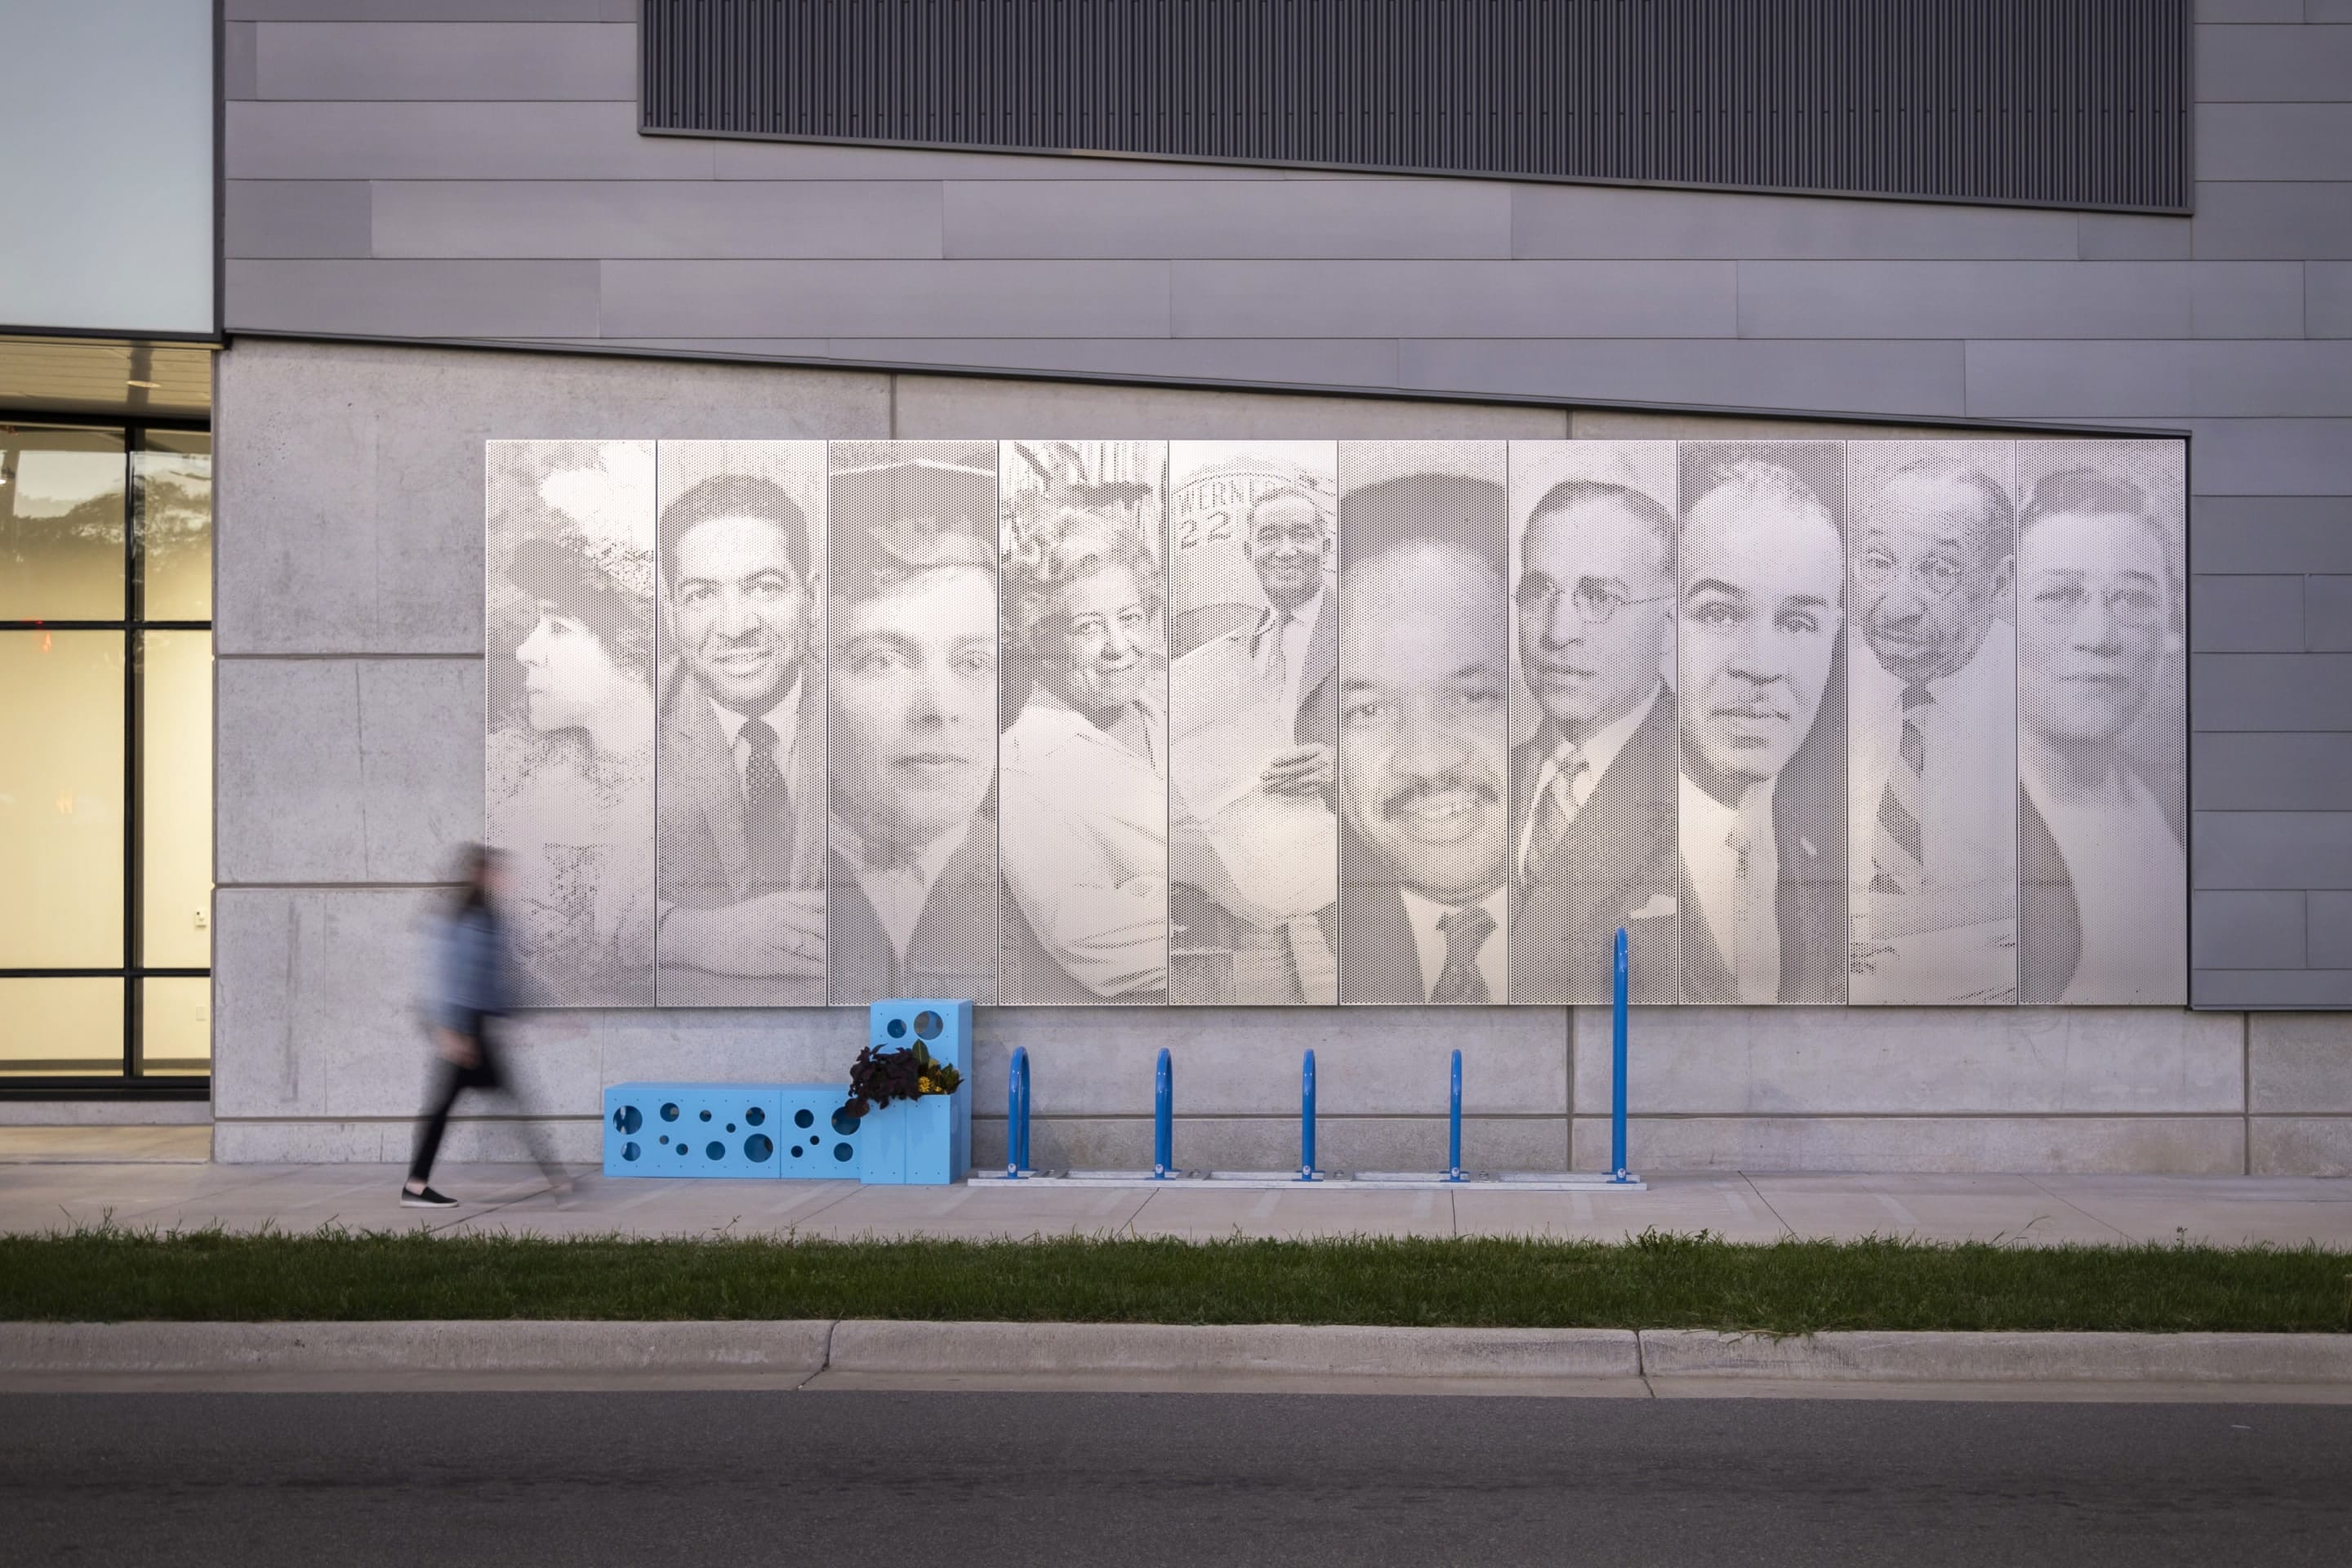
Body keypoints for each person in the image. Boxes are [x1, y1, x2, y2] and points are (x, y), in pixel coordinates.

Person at [826, 454, 1001, 1004]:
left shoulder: (1051, 884)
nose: (938, 709)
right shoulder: (755, 878)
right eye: (881, 661)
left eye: (974, 662)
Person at [1675, 457, 1848, 1005]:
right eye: (1721, 614)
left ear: (1832, 642)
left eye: (1799, 624)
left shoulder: (1836, 865)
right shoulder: (1574, 854)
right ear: (1663, 626)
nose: (1762, 664)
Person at [1334, 472, 1512, 1004]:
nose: (1427, 760)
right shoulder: (1287, 957)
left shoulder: (1663, 928)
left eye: (1473, 696)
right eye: (1367, 709)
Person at [1847, 457, 2020, 1004]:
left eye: (1939, 571)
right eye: (1878, 563)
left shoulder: (2046, 709)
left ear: (2000, 582)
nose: (1896, 608)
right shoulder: (1819, 693)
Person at [653, 470, 827, 1005]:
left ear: (811, 596)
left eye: (764, 587)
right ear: (671, 612)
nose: (735, 625)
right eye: (702, 594)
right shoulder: (631, 716)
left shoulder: (870, 705)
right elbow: (548, 895)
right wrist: (690, 934)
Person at [1507, 470, 1681, 1005]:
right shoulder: (1491, 777)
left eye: (1599, 598)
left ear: (1670, 623)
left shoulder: (1710, 782)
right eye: (1539, 594)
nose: (1558, 633)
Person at [2015, 469, 2185, 1004]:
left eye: (2133, 601)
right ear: (2002, 616)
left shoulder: (2183, 809)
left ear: (2172, 630)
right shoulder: (1945, 815)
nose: (2099, 638)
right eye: (2059, 596)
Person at [1169, 481, 1341, 1004]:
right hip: (1254, 899)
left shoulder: (1365, 629)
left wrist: (1346, 764)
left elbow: (1423, 733)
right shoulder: (1235, 653)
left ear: (1326, 545)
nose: (1286, 550)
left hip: (1346, 892)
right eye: (1270, 537)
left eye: (1301, 535)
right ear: (1250, 552)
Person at [999, 507, 1170, 1002]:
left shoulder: (1169, 708)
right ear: (1040, 643)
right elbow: (1099, 950)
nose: (1119, 647)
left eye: (1131, 618)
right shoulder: (1023, 768)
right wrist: (1221, 897)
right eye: (1087, 628)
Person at [492, 528, 657, 1005]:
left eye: (559, 628)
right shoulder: (509, 773)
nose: (526, 652)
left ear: (633, 651)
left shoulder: (707, 786)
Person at [403, 844, 564, 1208]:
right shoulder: (458, 918)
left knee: (460, 1106)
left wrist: (541, 1016)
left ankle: (557, 1179)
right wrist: (450, 1032)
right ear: (479, 874)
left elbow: (502, 980)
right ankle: (557, 1180)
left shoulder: (493, 918)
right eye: (496, 872)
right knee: (480, 1104)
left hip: (478, 1028)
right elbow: (444, 978)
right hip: (465, 1030)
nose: (504, 879)